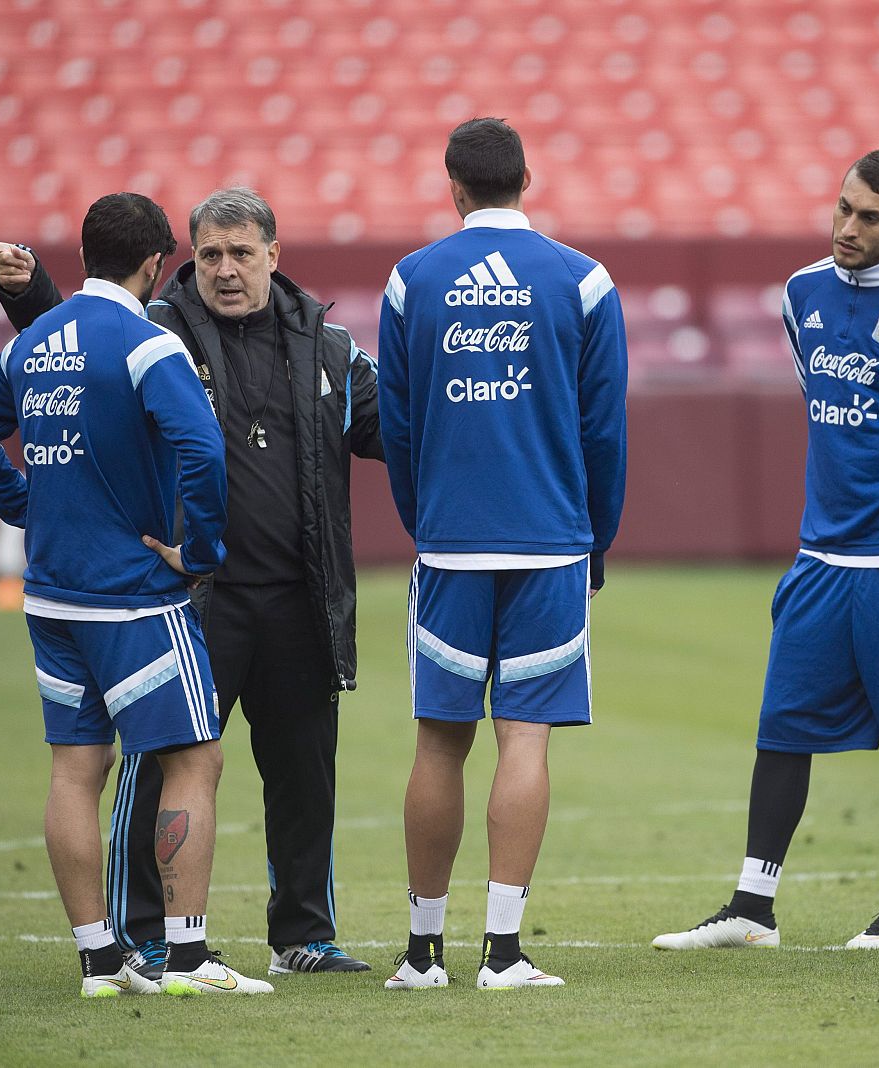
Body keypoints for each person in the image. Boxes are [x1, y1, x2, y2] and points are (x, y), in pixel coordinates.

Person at [0, 187, 383, 977]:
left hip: (300, 595)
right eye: (210, 254)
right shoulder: (156, 329)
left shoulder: (331, 347)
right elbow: (82, 341)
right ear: (183, 259)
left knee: (305, 775)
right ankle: (148, 933)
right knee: (160, 764)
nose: (226, 270)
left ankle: (303, 934)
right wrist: (29, 297)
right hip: (193, 595)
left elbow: (392, 428)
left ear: (274, 254)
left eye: (242, 253)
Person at [651, 149, 879, 953]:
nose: (847, 227)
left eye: (869, 217)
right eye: (843, 208)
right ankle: (752, 907)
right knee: (782, 726)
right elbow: (821, 395)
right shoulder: (800, 292)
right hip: (822, 556)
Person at [0, 192, 270, 996]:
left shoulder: (33, 342)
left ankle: (98, 962)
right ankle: (187, 960)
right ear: (156, 262)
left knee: (74, 770)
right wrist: (202, 551)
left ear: (85, 255)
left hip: (52, 595)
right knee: (195, 756)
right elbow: (202, 449)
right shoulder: (148, 343)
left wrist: (29, 507)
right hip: (134, 596)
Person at [379, 117, 627, 990]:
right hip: (551, 542)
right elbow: (604, 429)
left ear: (454, 186)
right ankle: (504, 952)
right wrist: (597, 539)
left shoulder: (412, 280)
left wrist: (424, 521)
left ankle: (422, 954)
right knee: (526, 740)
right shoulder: (584, 280)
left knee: (438, 744)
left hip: (449, 543)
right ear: (527, 180)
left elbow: (397, 426)